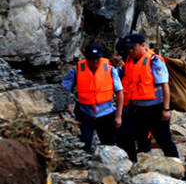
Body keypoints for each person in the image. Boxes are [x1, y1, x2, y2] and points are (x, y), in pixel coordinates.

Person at [121, 33, 178, 162]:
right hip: (137, 109)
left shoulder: (154, 61)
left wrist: (166, 109)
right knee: (141, 138)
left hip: (156, 109)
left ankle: (178, 167)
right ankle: (142, 165)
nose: (130, 51)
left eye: (133, 48)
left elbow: (165, 86)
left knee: (164, 139)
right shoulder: (129, 61)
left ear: (142, 45)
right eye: (128, 48)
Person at [61, 43, 123, 153]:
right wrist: (67, 105)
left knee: (109, 144)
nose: (94, 61)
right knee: (84, 144)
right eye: (91, 58)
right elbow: (64, 89)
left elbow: (119, 93)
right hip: (85, 113)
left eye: (97, 58)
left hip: (106, 114)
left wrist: (118, 116)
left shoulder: (109, 69)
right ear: (86, 58)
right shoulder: (77, 70)